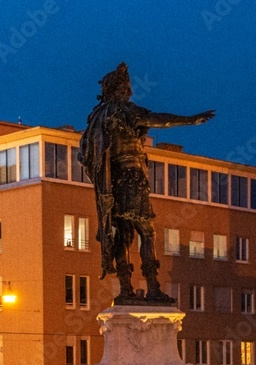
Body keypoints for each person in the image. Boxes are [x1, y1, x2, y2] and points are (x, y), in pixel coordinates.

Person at [79, 63, 213, 302]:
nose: (130, 93)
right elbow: (156, 119)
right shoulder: (122, 110)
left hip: (113, 186)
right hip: (132, 178)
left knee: (123, 234)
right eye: (127, 88)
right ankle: (152, 287)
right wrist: (189, 120)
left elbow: (85, 157)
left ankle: (126, 289)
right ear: (119, 89)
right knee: (147, 232)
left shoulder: (96, 119)